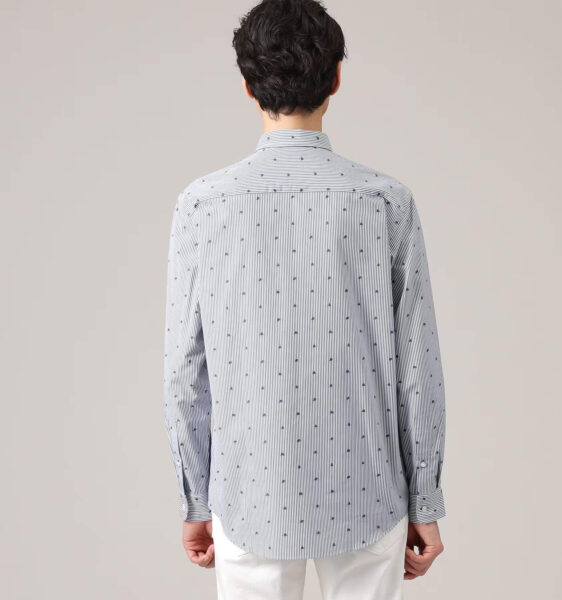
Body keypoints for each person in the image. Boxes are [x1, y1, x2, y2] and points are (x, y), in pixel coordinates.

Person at [162, 1, 447, 597]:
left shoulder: (203, 204)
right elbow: (417, 369)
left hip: (249, 494)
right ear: (336, 78)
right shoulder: (385, 200)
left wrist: (196, 499)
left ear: (248, 85)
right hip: (369, 491)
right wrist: (425, 499)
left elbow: (186, 369)